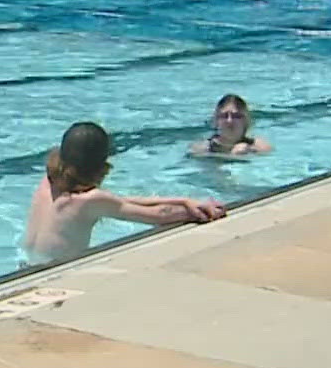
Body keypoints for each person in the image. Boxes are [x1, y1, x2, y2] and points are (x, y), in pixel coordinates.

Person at [21, 122, 225, 265]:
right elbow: (159, 215)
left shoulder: (48, 183)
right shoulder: (90, 201)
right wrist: (199, 212)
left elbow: (118, 201)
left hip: (26, 270)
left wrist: (183, 199)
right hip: (54, 278)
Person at [191, 94, 274, 157]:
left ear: (246, 121)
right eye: (224, 116)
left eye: (236, 116)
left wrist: (250, 151)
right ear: (216, 121)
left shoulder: (260, 147)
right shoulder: (201, 149)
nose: (229, 121)